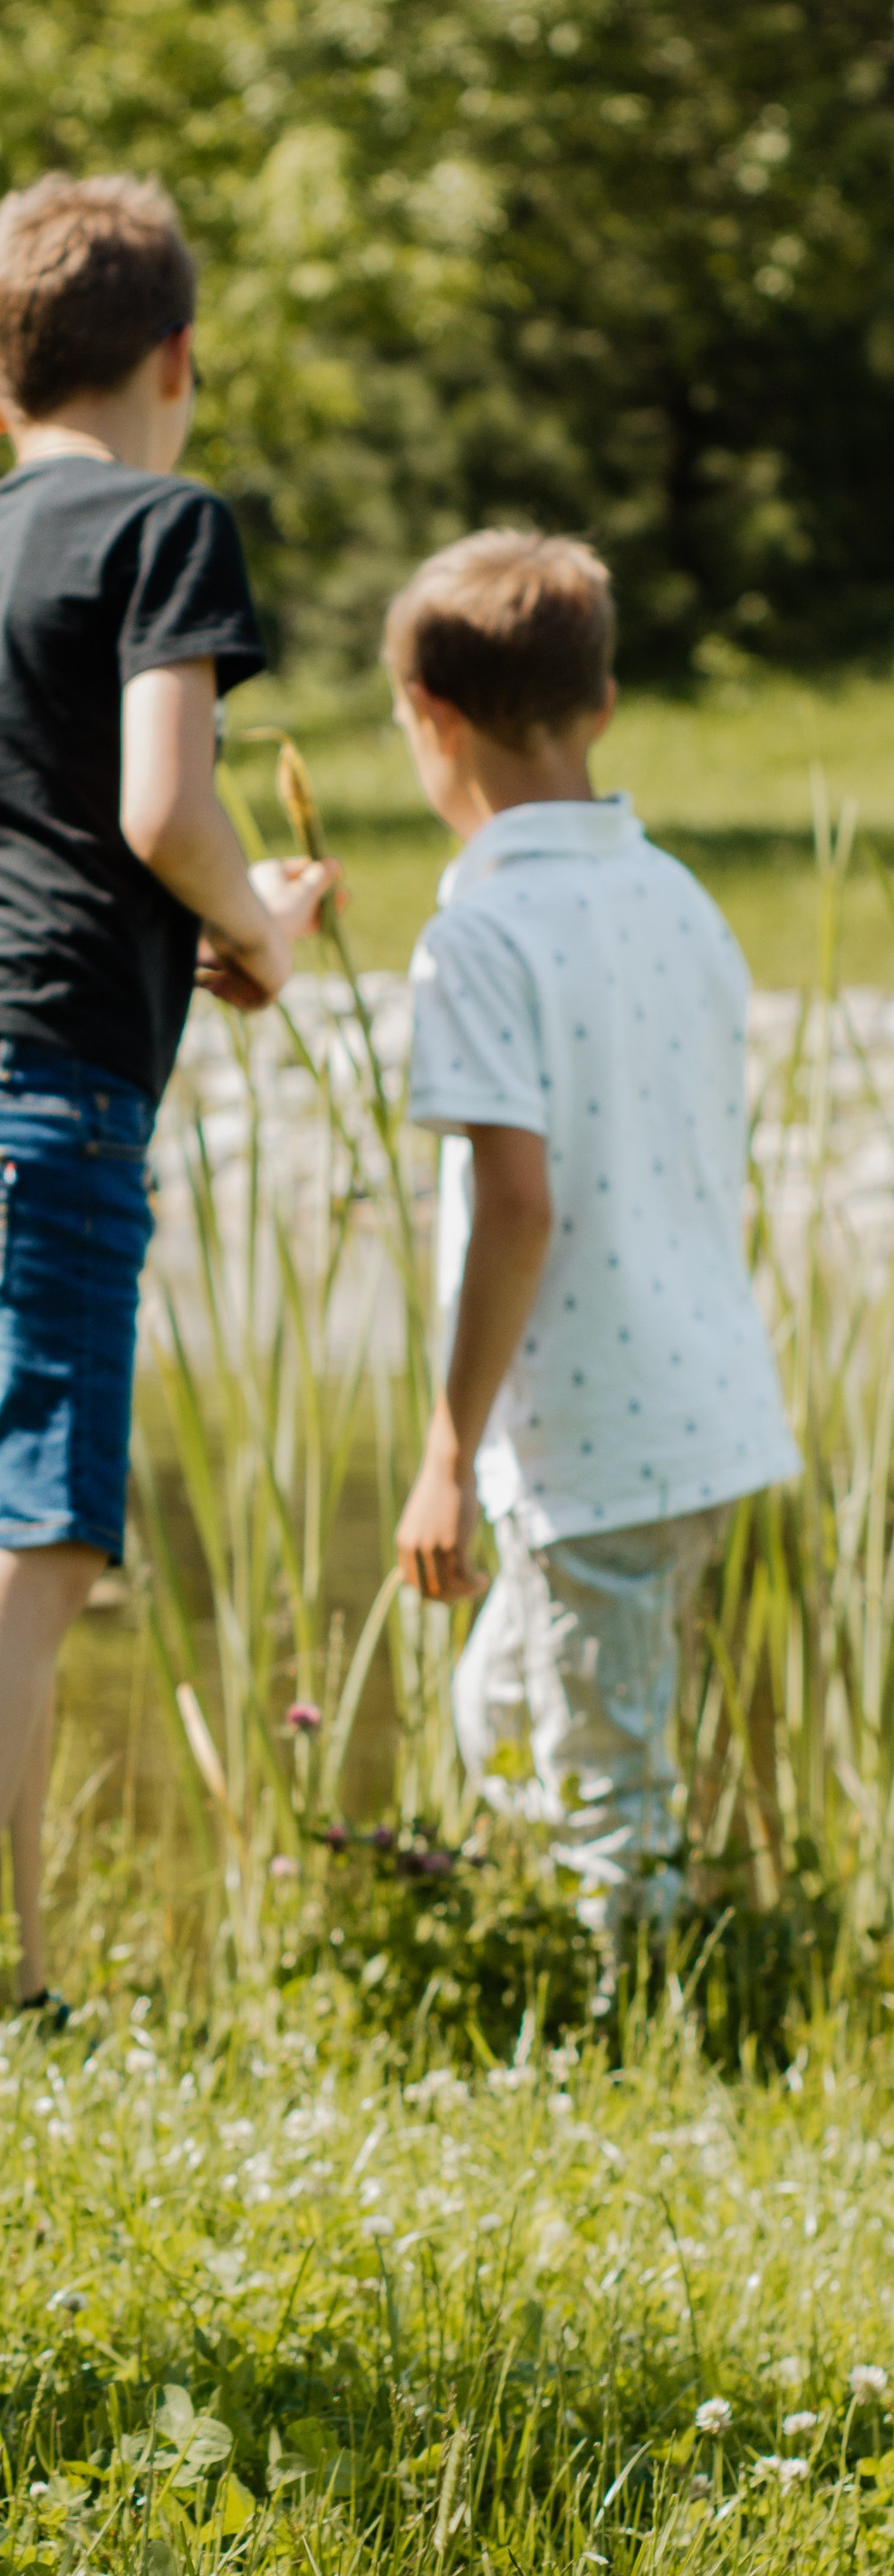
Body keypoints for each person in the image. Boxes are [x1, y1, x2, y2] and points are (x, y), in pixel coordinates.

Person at [0, 169, 336, 2045]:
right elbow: (156, 808)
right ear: (178, 359)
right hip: (44, 1082)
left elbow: (19, 819)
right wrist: (261, 928)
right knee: (41, 1544)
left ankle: (12, 1970)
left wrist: (202, 909)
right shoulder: (163, 526)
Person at [389, 529, 797, 1935]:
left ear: (426, 718)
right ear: (605, 703)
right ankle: (545, 1956)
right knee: (505, 1705)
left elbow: (518, 1200)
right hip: (706, 1401)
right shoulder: (678, 896)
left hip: (591, 1440)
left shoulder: (479, 934)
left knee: (601, 1782)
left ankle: (641, 2035)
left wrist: (448, 1451)